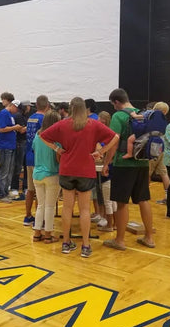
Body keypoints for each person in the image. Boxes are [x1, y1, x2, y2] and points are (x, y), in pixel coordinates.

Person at [40, 97, 119, 258]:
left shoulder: (63, 124)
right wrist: (101, 153)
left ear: (70, 108)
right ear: (84, 109)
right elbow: (115, 137)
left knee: (67, 208)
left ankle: (66, 243)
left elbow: (43, 135)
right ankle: (85, 245)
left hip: (67, 170)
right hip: (86, 171)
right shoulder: (93, 124)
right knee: (84, 210)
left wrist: (56, 149)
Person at [104, 88, 155, 251]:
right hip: (143, 162)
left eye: (113, 104)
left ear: (116, 102)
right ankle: (149, 237)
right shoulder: (144, 114)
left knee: (121, 202)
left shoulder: (118, 116)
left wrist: (106, 163)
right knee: (143, 199)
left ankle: (120, 240)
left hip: (123, 164)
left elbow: (114, 143)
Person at [31, 110, 62, 244]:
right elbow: (58, 158)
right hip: (52, 174)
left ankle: (37, 233)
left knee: (40, 205)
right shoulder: (56, 139)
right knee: (50, 206)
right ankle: (48, 235)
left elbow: (34, 150)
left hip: (37, 174)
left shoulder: (38, 136)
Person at [24, 95, 50, 226]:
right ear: (47, 106)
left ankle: (28, 216)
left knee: (30, 189)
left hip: (29, 156)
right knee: (41, 191)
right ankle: (41, 219)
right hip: (39, 158)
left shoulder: (31, 118)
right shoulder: (43, 119)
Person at [0, 94, 23, 203]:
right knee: (4, 171)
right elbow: (1, 129)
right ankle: (0, 195)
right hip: (4, 146)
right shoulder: (4, 114)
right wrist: (14, 127)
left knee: (9, 171)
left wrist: (16, 129)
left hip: (10, 146)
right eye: (16, 109)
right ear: (12, 106)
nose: (17, 111)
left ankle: (5, 192)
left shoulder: (10, 115)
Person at [9, 100, 28, 201]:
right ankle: (14, 187)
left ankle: (25, 187)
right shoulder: (18, 116)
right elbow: (21, 130)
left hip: (23, 143)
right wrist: (31, 126)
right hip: (20, 143)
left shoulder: (23, 116)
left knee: (25, 166)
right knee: (18, 166)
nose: (29, 108)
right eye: (28, 106)